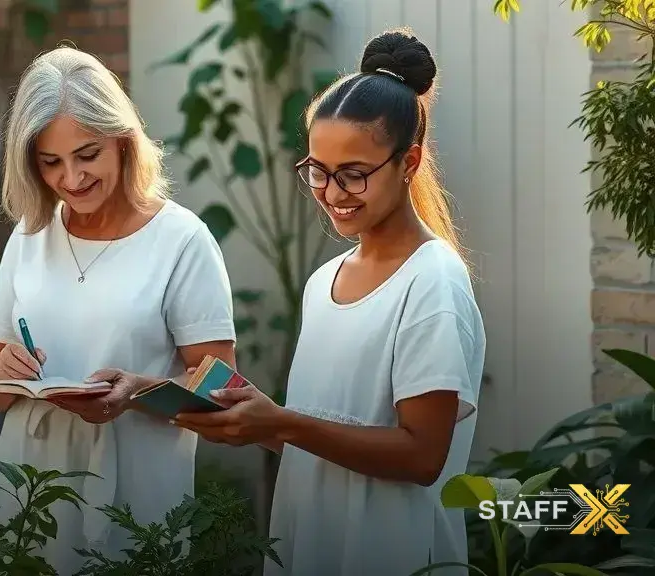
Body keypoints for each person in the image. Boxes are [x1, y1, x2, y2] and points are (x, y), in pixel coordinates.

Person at [174, 29, 486, 576]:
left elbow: (422, 457)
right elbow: (326, 437)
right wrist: (258, 420)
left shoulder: (432, 282)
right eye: (318, 170)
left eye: (354, 174)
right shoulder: (324, 282)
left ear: (408, 163)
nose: (333, 192)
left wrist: (287, 423)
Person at [0, 46, 237, 573]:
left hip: (134, 497)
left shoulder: (181, 240)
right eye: (51, 162)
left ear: (122, 141)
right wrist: (3, 372)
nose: (71, 178)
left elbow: (220, 391)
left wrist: (134, 394)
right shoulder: (30, 237)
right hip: (29, 496)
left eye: (87, 154)